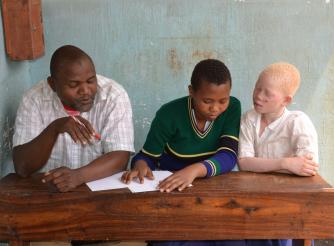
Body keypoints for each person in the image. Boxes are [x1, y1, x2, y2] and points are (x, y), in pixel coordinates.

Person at [122, 59, 245, 246]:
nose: (215, 108)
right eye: (207, 101)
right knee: (169, 241)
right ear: (191, 92)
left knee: (232, 239)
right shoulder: (169, 114)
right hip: (174, 192)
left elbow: (228, 155)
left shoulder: (233, 107)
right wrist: (140, 165)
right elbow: (147, 155)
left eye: (223, 100)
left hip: (215, 191)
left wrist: (194, 170)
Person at [12, 45, 134, 193]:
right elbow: (22, 167)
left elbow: (120, 158)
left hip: (101, 193)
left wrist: (78, 176)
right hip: (50, 193)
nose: (85, 91)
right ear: (53, 84)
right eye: (73, 85)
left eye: (90, 81)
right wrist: (55, 128)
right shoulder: (34, 99)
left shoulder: (113, 96)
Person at [238, 62, 319, 246]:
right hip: (254, 199)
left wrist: (260, 166)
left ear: (286, 100)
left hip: (289, 200)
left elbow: (307, 169)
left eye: (267, 93)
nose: (258, 96)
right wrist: (285, 163)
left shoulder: (298, 122)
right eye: (257, 88)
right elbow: (244, 162)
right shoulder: (249, 118)